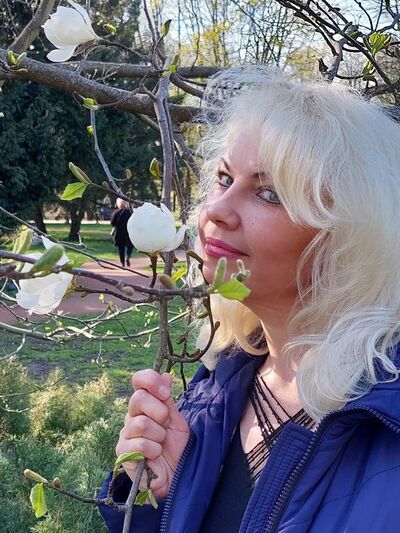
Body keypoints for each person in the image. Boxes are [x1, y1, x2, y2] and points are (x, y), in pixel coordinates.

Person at [98, 68, 400, 532]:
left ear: (347, 239)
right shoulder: (220, 382)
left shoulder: (384, 426)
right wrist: (165, 495)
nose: (216, 210)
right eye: (224, 178)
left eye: (268, 193)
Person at [110, 198, 134, 267]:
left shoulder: (116, 212)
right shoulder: (130, 212)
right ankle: (128, 256)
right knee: (130, 245)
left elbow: (112, 223)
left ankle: (122, 262)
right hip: (128, 232)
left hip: (118, 233)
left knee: (120, 248)